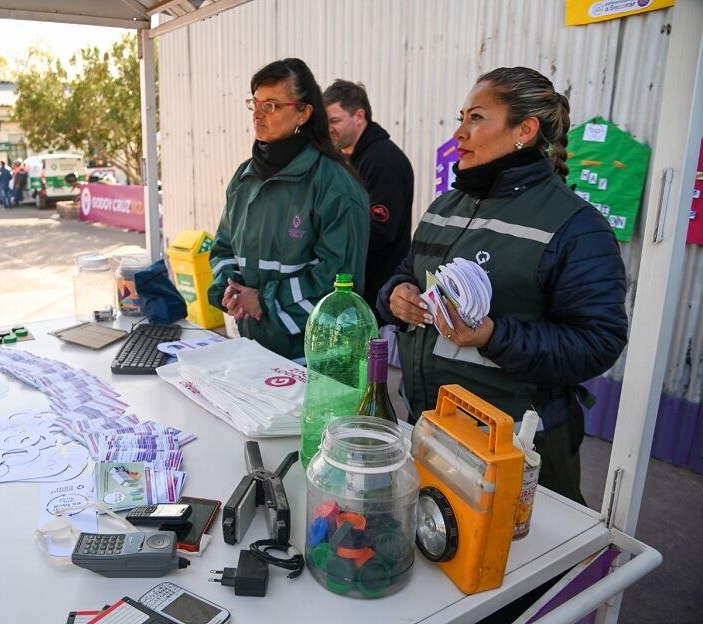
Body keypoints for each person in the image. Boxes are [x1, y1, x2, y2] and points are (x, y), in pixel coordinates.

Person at [377, 67, 628, 503]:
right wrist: (396, 295)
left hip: (516, 448)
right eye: (462, 117)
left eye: (476, 118)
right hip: (431, 424)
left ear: (524, 131)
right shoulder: (445, 206)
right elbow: (407, 272)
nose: (459, 132)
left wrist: (494, 335)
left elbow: (598, 342)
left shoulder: (575, 226)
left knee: (521, 566)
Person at [207, 58, 370, 360]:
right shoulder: (244, 178)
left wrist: (266, 302)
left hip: (317, 361)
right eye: (254, 103)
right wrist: (232, 291)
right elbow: (222, 248)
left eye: (271, 105)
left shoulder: (335, 184)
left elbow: (339, 280)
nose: (257, 114)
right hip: (254, 349)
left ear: (304, 113)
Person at [324, 80, 414, 320]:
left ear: (359, 116)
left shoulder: (383, 162)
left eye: (334, 120)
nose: (328, 128)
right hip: (355, 288)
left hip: (378, 295)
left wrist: (331, 245)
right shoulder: (347, 159)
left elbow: (380, 231)